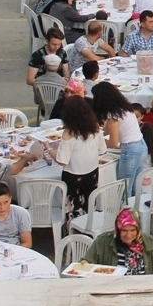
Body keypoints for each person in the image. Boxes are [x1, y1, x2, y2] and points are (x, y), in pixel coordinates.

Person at [55, 95, 107, 223]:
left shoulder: (69, 133)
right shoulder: (95, 127)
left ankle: (73, 232)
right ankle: (89, 227)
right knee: (89, 203)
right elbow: (102, 150)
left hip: (73, 176)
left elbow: (62, 160)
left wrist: (49, 150)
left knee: (73, 208)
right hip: (92, 173)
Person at [92, 82, 148, 195]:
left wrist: (97, 142)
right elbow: (107, 130)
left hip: (130, 151)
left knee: (124, 191)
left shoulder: (114, 116)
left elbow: (113, 143)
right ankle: (137, 211)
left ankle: (126, 212)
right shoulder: (124, 108)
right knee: (135, 188)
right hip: (141, 146)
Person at [84, 209, 153, 275]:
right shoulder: (103, 241)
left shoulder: (149, 243)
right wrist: (84, 265)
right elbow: (87, 261)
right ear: (117, 230)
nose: (128, 235)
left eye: (133, 230)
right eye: (124, 231)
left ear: (138, 230)